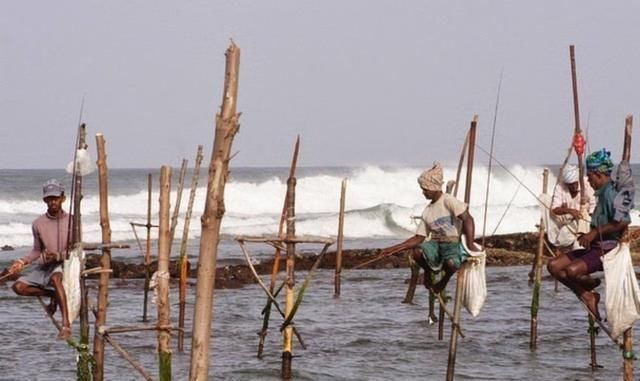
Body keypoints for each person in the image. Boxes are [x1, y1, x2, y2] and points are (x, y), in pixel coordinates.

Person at [547, 149, 631, 320]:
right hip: (594, 247)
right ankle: (588, 294)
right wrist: (587, 235)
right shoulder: (602, 194)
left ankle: (590, 288)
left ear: (598, 174)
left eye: (590, 177)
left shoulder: (611, 193)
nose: (589, 182)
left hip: (606, 250)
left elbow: (623, 221)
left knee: (571, 271)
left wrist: (593, 233)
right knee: (554, 266)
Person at [379, 162, 479, 294]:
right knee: (416, 252)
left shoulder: (448, 200)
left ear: (434, 187)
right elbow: (418, 238)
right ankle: (428, 270)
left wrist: (470, 243)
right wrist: (393, 249)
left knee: (451, 264)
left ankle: (443, 282)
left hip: (452, 243)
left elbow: (467, 218)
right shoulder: (427, 211)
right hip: (436, 244)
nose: (423, 192)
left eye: (425, 189)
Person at [7, 179, 72, 340]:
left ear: (63, 198)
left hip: (67, 263)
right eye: (49, 199)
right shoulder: (38, 223)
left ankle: (66, 325)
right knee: (18, 287)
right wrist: (22, 262)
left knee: (56, 278)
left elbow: (76, 248)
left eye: (55, 198)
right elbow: (37, 250)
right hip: (47, 265)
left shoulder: (73, 220)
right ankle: (53, 295)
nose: (52, 202)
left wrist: (58, 255)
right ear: (44, 200)